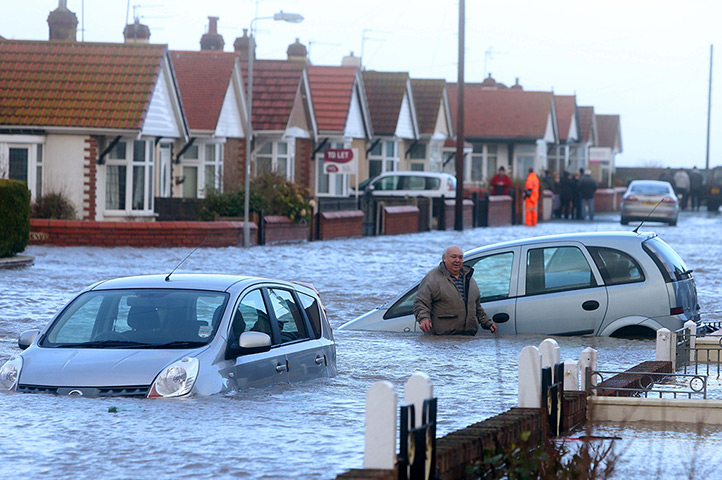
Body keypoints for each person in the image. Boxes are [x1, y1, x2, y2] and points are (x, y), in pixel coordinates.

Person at [413, 246, 497, 336]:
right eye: (453, 257)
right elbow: (421, 302)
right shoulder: (432, 278)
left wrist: (487, 323)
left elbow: (476, 307)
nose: (457, 260)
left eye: (460, 257)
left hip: (468, 338)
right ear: (444, 258)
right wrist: (424, 318)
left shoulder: (469, 279)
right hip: (442, 338)